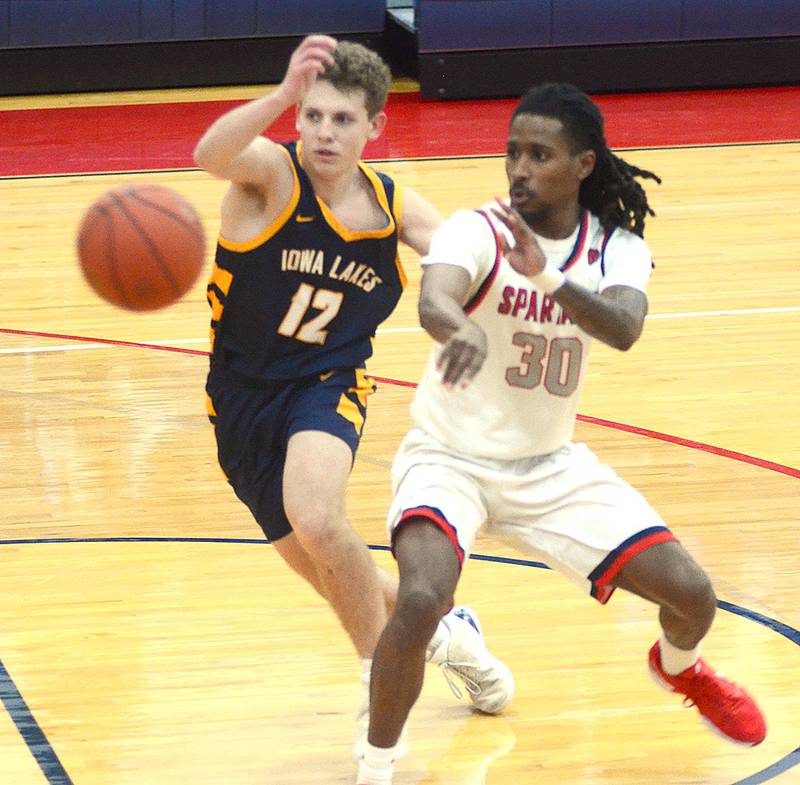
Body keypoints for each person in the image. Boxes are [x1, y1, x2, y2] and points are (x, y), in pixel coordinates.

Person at [357, 82, 766, 785]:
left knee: (694, 594)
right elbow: (434, 298)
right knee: (423, 596)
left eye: (538, 154)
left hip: (549, 469)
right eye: (512, 151)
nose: (518, 167)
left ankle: (682, 669)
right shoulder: (475, 228)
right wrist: (457, 329)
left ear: (581, 164)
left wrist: (546, 276)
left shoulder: (616, 248)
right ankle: (376, 766)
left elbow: (625, 328)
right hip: (447, 457)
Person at [192, 35, 514, 755]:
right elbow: (207, 155)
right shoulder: (271, 177)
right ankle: (448, 634)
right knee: (339, 573)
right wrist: (277, 96)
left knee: (317, 515)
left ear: (375, 127)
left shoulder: (391, 207)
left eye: (343, 119)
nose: (324, 133)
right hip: (239, 402)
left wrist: (528, 284)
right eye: (312, 116)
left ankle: (383, 692)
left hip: (326, 382)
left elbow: (462, 250)